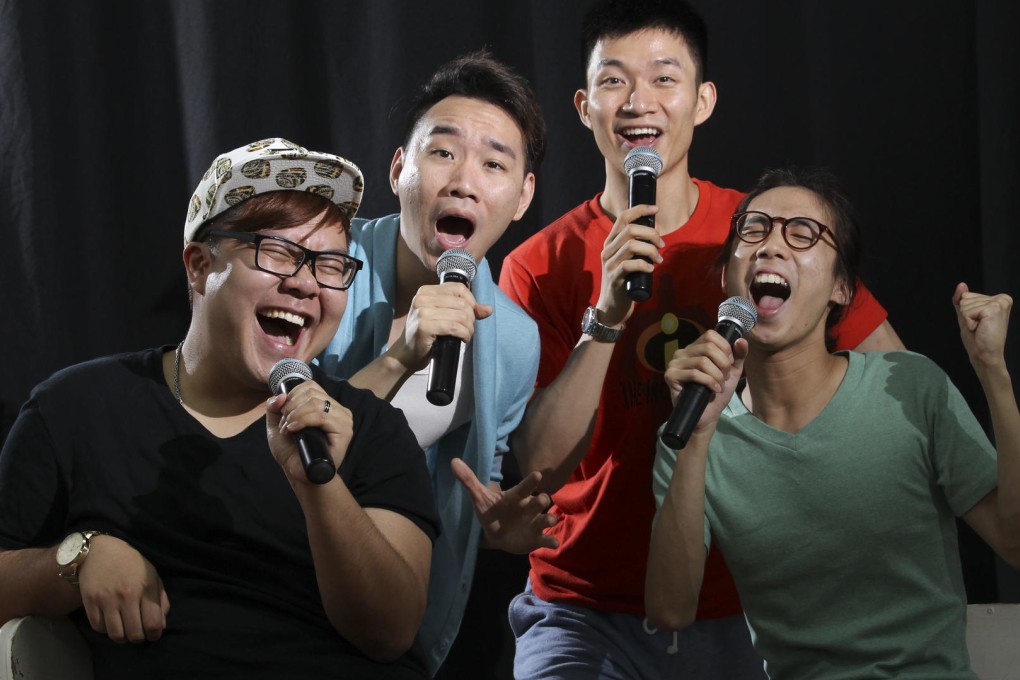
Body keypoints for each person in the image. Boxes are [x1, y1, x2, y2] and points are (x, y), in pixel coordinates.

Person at [498, 1, 905, 677]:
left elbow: (898, 390)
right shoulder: (538, 264)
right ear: (583, 104)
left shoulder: (767, 237)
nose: (638, 103)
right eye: (613, 81)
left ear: (704, 99)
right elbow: (538, 468)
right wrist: (605, 315)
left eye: (664, 78)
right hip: (583, 608)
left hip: (749, 605)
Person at [0, 138, 441, 679]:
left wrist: (319, 486)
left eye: (329, 264)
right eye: (277, 252)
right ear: (198, 264)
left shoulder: (369, 428)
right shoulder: (76, 409)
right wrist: (77, 560)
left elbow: (389, 633)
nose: (305, 283)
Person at [646, 166, 1019, 679]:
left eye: (802, 234)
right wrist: (699, 436)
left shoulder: (910, 386)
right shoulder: (690, 430)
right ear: (727, 279)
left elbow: (1014, 540)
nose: (771, 247)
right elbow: (670, 610)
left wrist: (993, 373)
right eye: (753, 229)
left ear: (842, 288)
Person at [316, 51, 557, 675]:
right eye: (443, 152)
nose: (464, 181)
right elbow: (259, 429)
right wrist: (401, 354)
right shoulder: (321, 268)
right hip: (264, 564)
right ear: (399, 169)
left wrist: (499, 526)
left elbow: (467, 478)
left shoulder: (511, 341)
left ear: (523, 194)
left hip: (384, 608)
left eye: (495, 163)